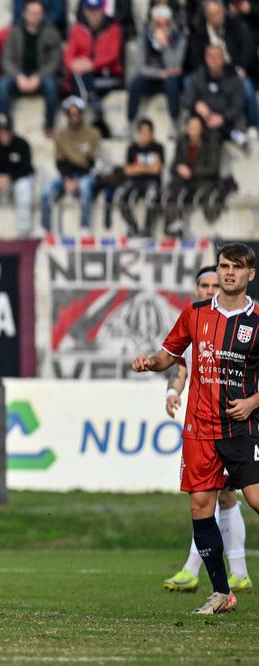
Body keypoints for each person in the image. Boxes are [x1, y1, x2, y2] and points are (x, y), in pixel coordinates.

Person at [132, 242, 259, 615]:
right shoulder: (196, 313)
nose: (229, 272)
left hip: (242, 427)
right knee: (201, 506)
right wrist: (149, 363)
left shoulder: (258, 320)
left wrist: (253, 402)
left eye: (237, 267)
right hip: (200, 427)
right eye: (224, 266)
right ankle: (222, 592)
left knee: (254, 498)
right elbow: (169, 355)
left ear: (250, 275)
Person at [161, 265, 252, 595]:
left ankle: (223, 571)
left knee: (228, 498)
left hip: (238, 425)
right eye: (205, 284)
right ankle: (228, 574)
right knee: (214, 499)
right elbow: (180, 368)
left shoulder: (245, 324)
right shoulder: (195, 322)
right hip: (205, 428)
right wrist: (173, 393)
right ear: (197, 289)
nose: (210, 289)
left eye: (216, 283)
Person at [185, 0, 258, 137]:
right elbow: (195, 59)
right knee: (189, 81)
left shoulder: (235, 25)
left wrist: (239, 67)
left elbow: (248, 49)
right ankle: (194, 122)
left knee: (247, 86)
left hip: (233, 70)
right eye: (211, 14)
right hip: (208, 72)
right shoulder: (199, 30)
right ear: (206, 15)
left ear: (224, 12)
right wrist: (209, 69)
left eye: (218, 13)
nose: (215, 17)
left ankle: (252, 125)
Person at [0, 0, 62, 137]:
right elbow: (6, 59)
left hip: (41, 76)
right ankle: (4, 126)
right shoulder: (15, 32)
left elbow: (55, 61)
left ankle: (49, 126)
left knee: (52, 86)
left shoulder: (51, 32)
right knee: (2, 85)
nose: (34, 16)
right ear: (24, 14)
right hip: (19, 76)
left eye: (38, 13)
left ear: (43, 14)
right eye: (31, 13)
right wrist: (18, 76)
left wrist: (38, 76)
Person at [63, 0, 124, 137]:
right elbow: (68, 56)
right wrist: (74, 64)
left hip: (107, 75)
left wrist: (91, 65)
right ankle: (91, 107)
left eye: (96, 11)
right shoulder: (78, 29)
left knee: (80, 78)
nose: (93, 15)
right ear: (84, 11)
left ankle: (78, 114)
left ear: (103, 10)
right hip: (83, 76)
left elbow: (113, 55)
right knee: (79, 76)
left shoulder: (114, 28)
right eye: (90, 11)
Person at [41, 96, 101, 234]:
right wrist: (68, 179)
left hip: (87, 175)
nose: (74, 117)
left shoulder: (93, 134)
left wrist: (77, 180)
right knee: (47, 187)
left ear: (82, 114)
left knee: (85, 186)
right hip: (67, 175)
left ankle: (84, 226)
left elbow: (93, 163)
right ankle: (45, 227)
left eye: (77, 113)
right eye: (70, 114)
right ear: (67, 115)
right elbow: (60, 162)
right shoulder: (60, 134)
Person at [127, 5, 186, 132]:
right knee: (135, 83)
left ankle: (174, 121)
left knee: (171, 81)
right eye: (157, 23)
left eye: (164, 23)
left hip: (171, 80)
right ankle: (131, 121)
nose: (161, 27)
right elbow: (141, 67)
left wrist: (164, 45)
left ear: (170, 23)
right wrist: (159, 73)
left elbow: (174, 65)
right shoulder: (144, 37)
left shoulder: (179, 38)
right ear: (152, 22)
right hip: (153, 76)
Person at [162, 114, 223, 237]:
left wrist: (191, 171)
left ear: (201, 128)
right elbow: (174, 164)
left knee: (178, 188)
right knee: (174, 185)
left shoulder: (210, 142)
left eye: (196, 126)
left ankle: (173, 224)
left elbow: (213, 168)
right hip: (184, 181)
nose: (193, 129)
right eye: (191, 126)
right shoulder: (182, 141)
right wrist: (180, 167)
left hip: (203, 181)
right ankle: (173, 223)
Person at [182, 44, 247, 145]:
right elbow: (186, 98)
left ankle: (232, 133)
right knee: (193, 127)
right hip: (204, 118)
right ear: (206, 58)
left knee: (214, 135)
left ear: (223, 58)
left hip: (225, 119)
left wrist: (223, 117)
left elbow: (238, 104)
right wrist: (196, 104)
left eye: (218, 57)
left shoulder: (234, 78)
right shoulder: (198, 75)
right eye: (211, 57)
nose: (214, 61)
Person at [115, 118, 164, 237]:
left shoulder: (158, 148)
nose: (145, 134)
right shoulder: (132, 148)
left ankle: (148, 229)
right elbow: (127, 170)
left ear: (152, 133)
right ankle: (132, 226)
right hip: (134, 181)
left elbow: (157, 169)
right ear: (138, 133)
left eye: (148, 131)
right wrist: (148, 167)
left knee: (152, 196)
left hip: (152, 181)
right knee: (120, 196)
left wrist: (138, 167)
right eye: (142, 131)